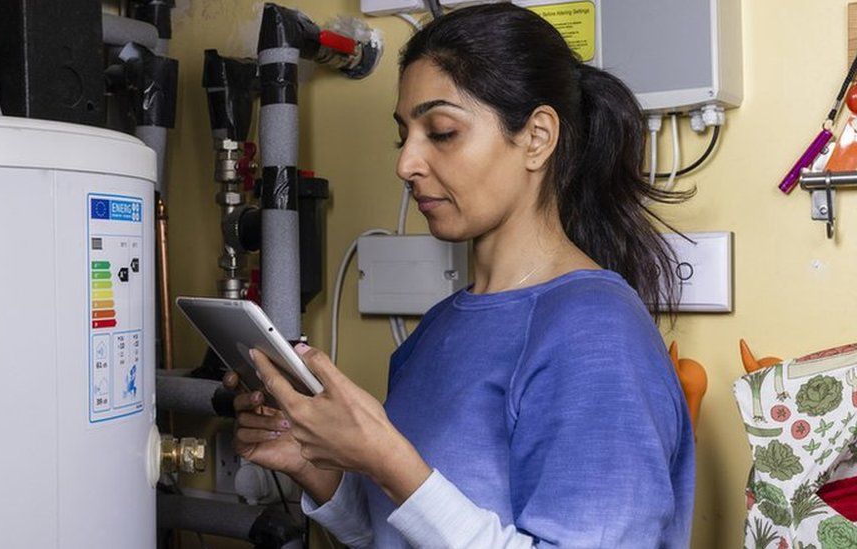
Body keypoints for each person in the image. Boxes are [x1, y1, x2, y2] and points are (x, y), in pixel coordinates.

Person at [224, 4, 695, 547]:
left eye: (441, 131)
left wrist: (386, 456)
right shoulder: (440, 327)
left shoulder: (597, 334)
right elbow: (400, 531)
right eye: (404, 134)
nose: (406, 164)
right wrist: (317, 468)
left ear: (538, 138)